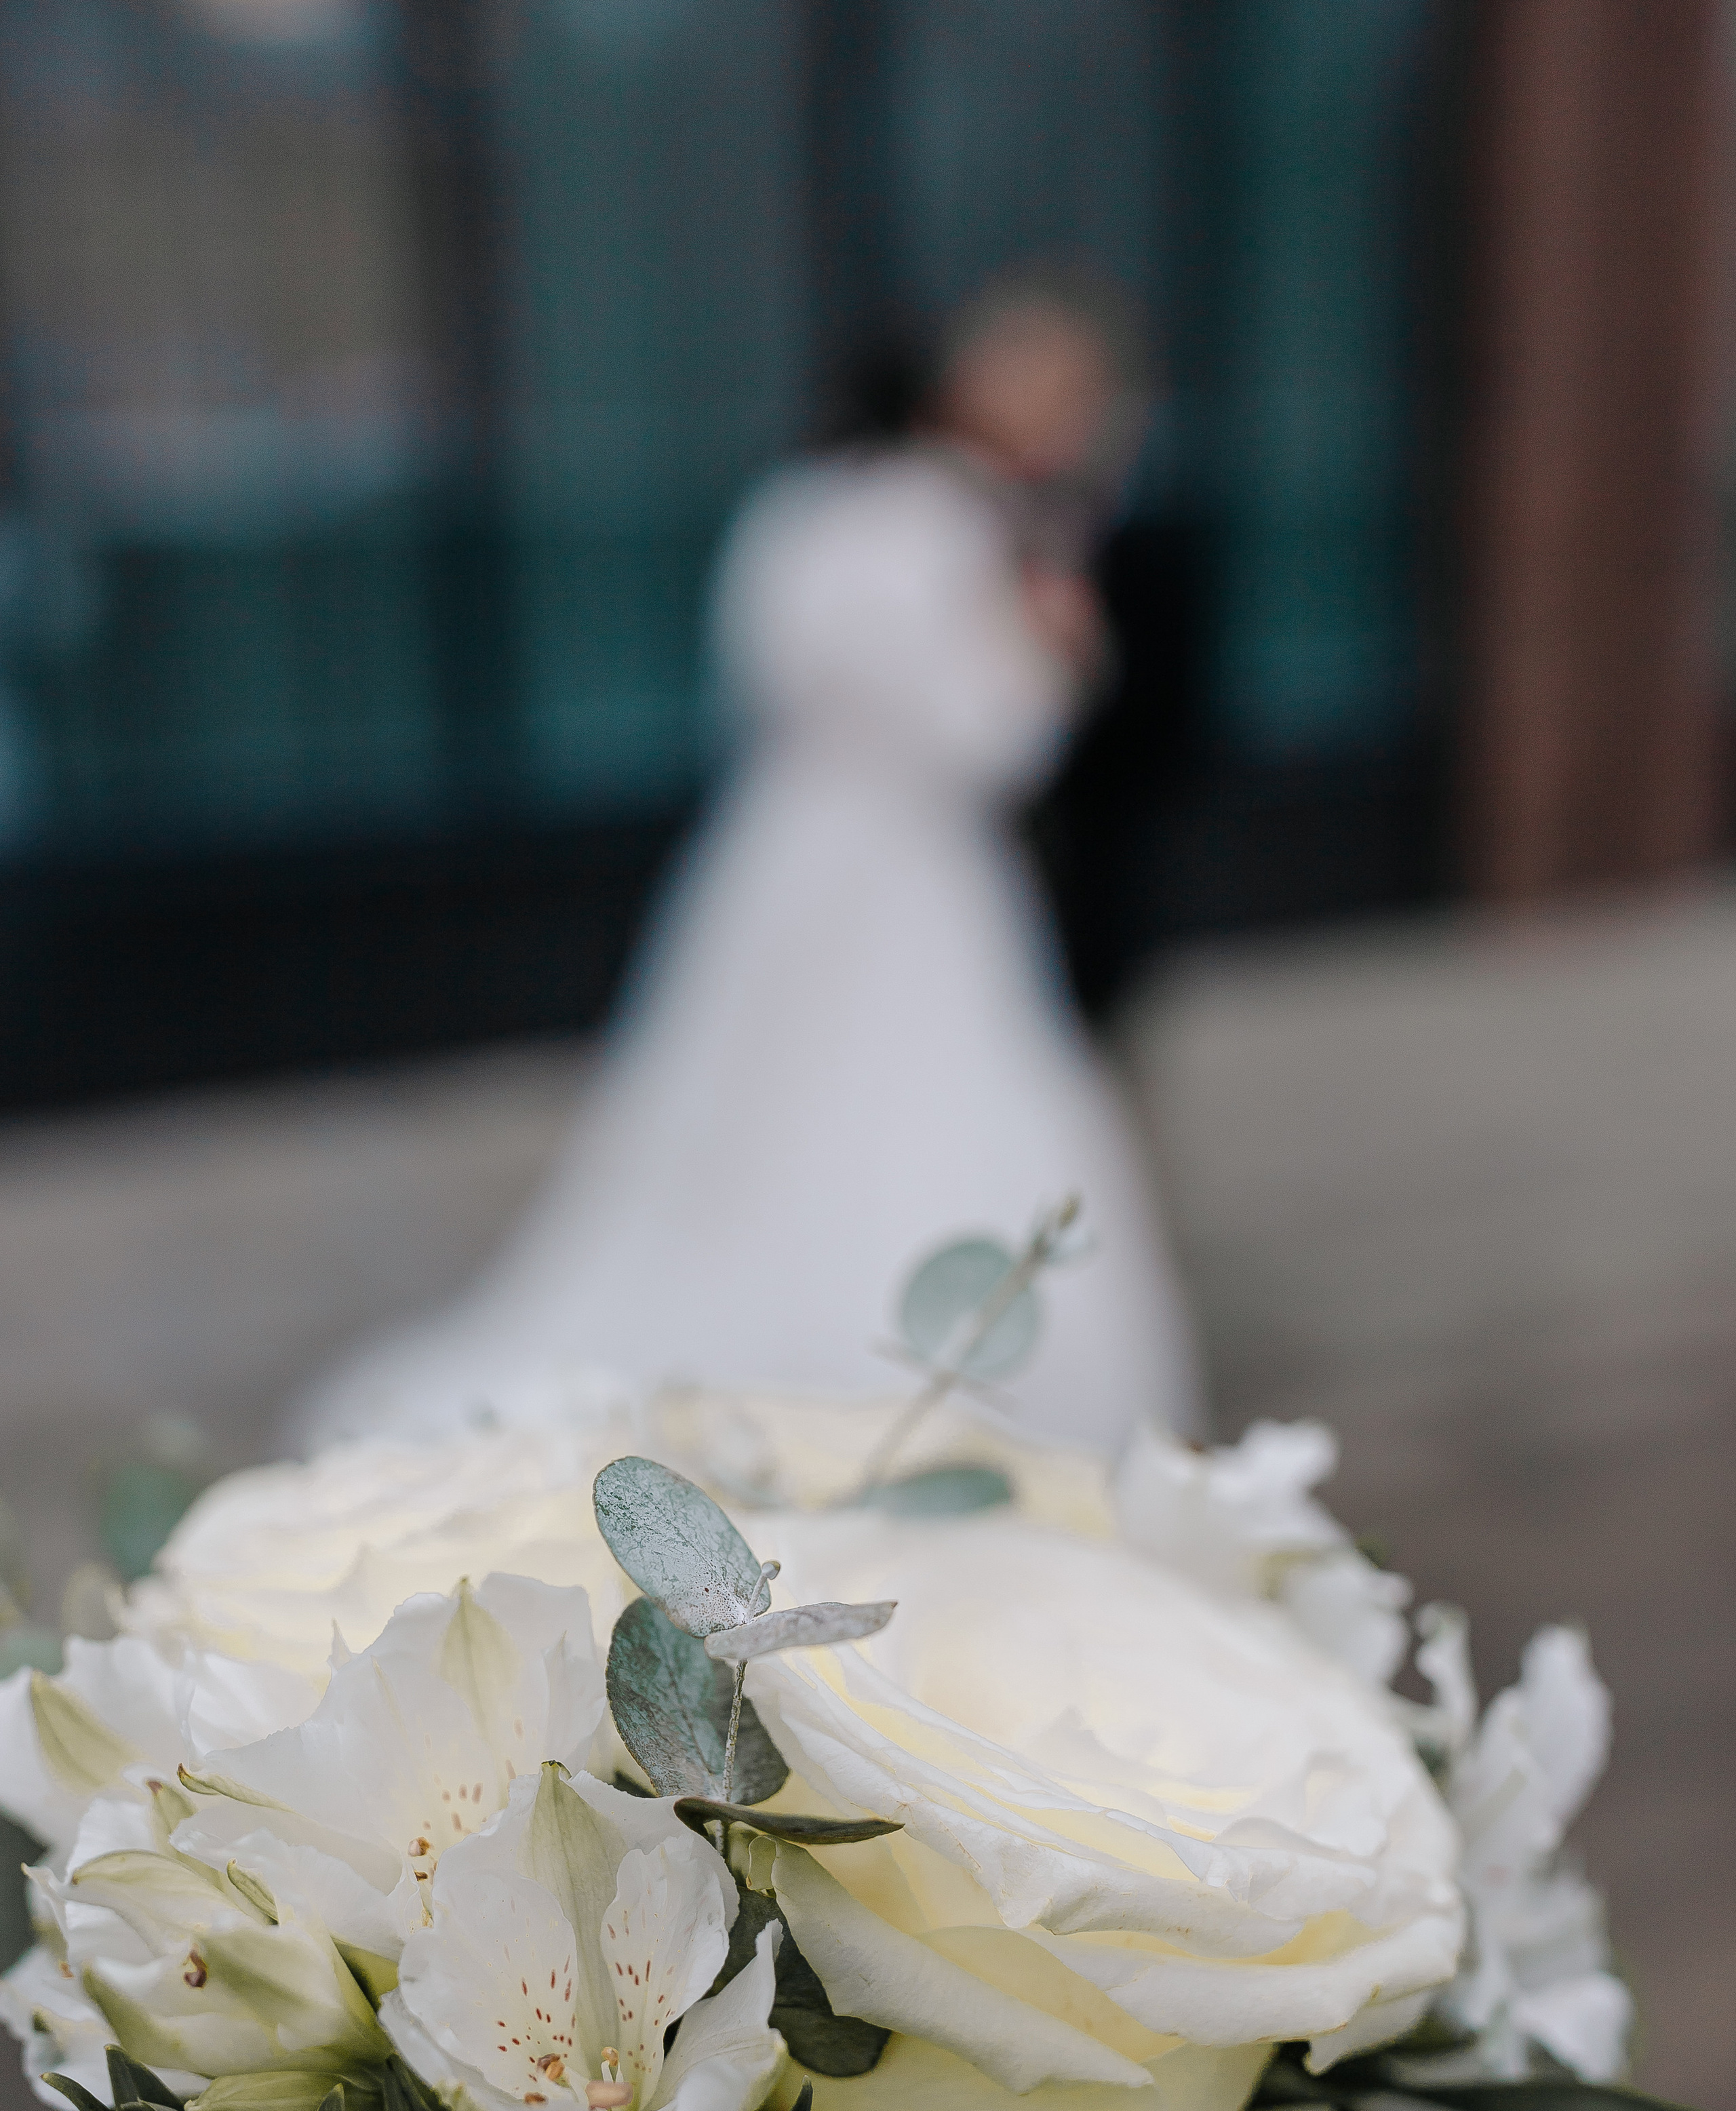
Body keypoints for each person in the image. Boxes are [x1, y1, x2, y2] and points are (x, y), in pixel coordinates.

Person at [290, 279, 1202, 1457]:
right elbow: (991, 740)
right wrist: (1057, 648)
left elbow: (759, 680)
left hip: (786, 852)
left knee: (743, 1117)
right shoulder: (952, 528)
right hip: (913, 867)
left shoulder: (801, 508)